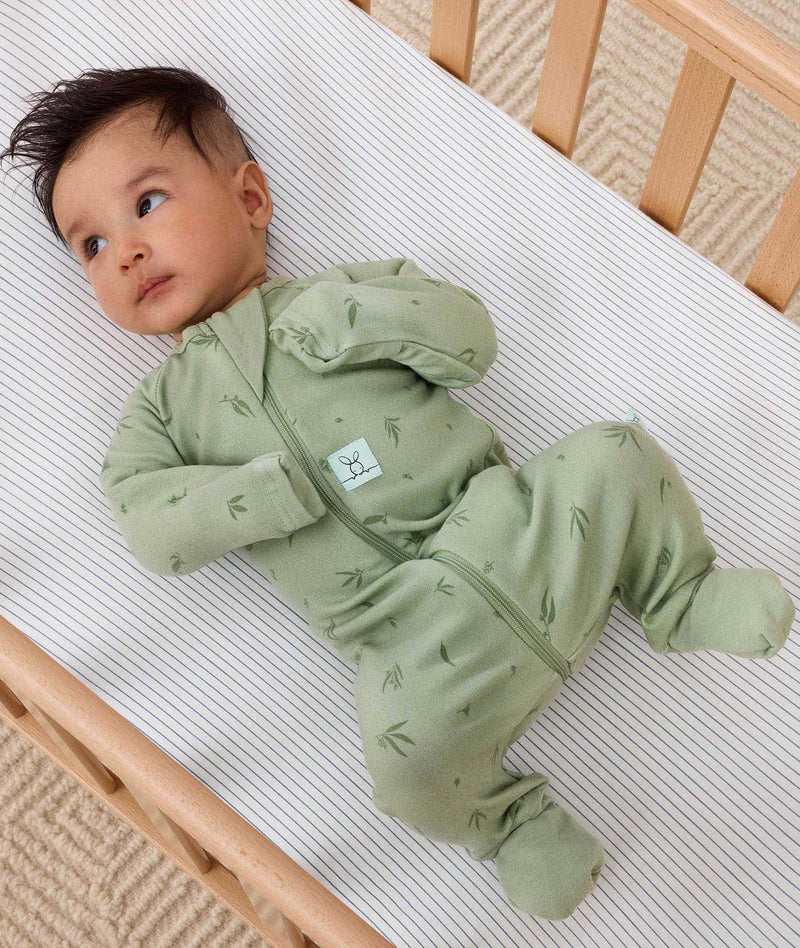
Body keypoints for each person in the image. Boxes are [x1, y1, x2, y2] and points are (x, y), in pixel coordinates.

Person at [3, 66, 795, 921]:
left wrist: (358, 320)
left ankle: (678, 592)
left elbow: (469, 340)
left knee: (616, 452)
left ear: (252, 198)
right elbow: (149, 528)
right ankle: (511, 823)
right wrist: (259, 494)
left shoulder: (342, 294)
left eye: (147, 204)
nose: (124, 250)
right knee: (400, 772)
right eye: (90, 246)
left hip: (515, 524)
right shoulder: (159, 414)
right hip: (408, 644)